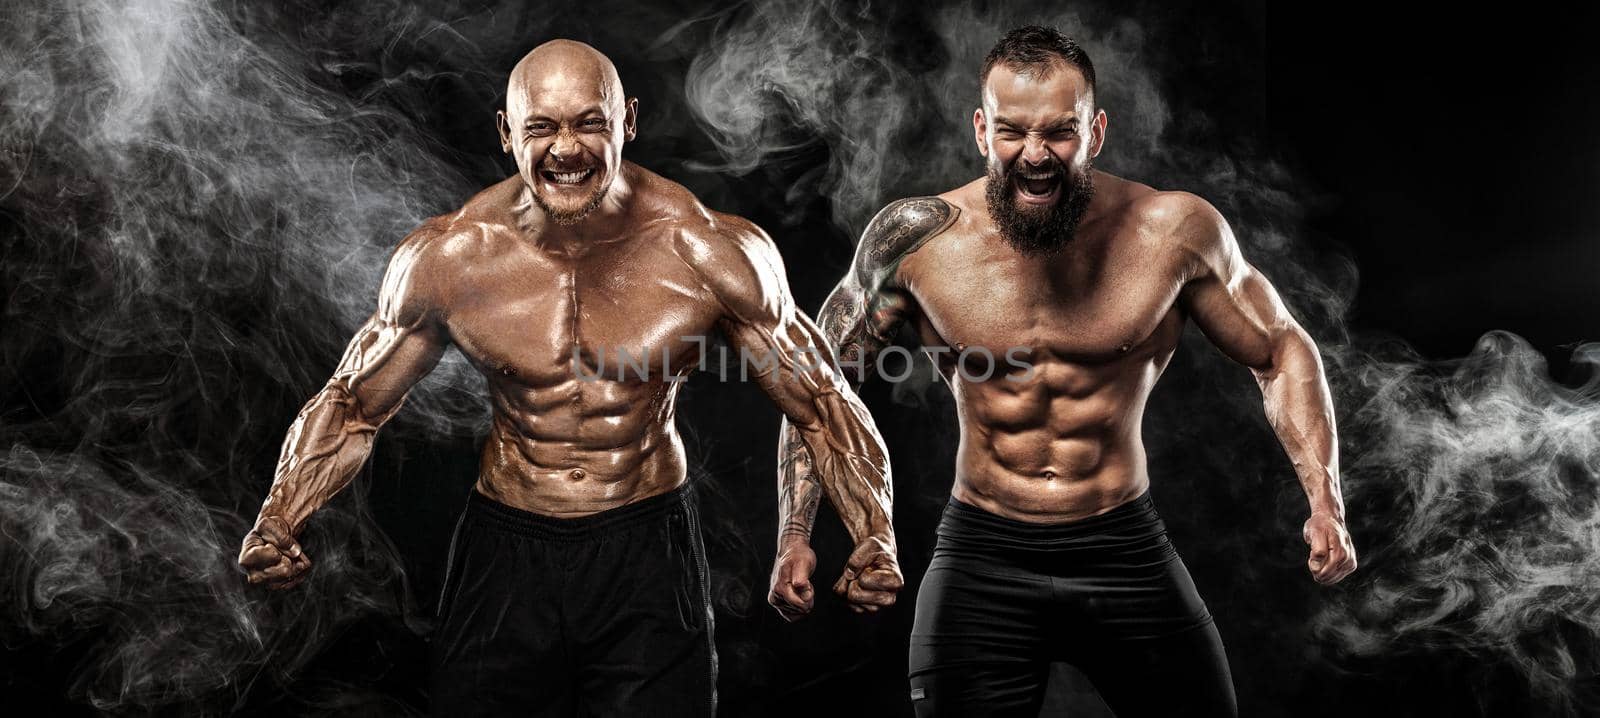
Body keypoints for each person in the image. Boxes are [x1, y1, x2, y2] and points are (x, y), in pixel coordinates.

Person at [238, 39, 902, 717]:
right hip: (506, 551)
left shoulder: (710, 251)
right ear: (505, 132)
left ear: (628, 122)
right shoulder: (451, 256)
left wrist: (873, 532)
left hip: (646, 548)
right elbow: (352, 405)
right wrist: (279, 516)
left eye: (590, 123)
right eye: (541, 127)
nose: (567, 150)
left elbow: (822, 405)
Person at [769, 26, 1356, 717]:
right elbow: (817, 385)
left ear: (1097, 131)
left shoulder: (1173, 232)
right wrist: (795, 536)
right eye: (1014, 132)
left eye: (1060, 133)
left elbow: (1282, 348)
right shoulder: (916, 241)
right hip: (982, 553)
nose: (1036, 156)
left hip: (1124, 549)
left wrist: (1325, 501)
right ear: (983, 130)